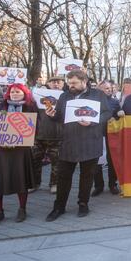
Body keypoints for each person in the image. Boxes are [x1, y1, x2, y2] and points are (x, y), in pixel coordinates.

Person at [44, 70, 112, 221]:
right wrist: (52, 115)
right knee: (63, 176)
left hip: (90, 141)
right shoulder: (64, 96)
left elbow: (108, 113)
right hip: (69, 142)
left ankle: (83, 203)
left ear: (84, 81)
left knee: (86, 176)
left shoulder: (98, 95)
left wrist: (94, 120)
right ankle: (59, 207)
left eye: (74, 83)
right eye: (69, 83)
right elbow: (60, 117)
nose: (71, 86)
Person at [0, 84, 38, 225]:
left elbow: (36, 127)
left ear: (25, 93)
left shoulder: (31, 107)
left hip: (20, 150)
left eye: (18, 91)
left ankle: (22, 209)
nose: (14, 93)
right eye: (12, 91)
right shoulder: (0, 106)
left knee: (21, 180)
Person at [30, 76, 64, 194]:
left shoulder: (66, 97)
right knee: (34, 160)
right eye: (53, 82)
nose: (56, 84)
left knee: (57, 162)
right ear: (48, 83)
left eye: (59, 82)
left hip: (57, 135)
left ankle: (54, 184)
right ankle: (35, 183)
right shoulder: (38, 96)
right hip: (38, 135)